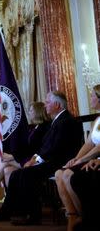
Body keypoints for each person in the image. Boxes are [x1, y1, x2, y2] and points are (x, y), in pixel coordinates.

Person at [0, 91, 83, 225]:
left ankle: (33, 215)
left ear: (57, 105)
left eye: (48, 102)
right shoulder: (57, 120)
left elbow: (55, 148)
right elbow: (45, 147)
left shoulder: (66, 121)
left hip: (60, 163)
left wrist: (35, 161)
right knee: (15, 175)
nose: (45, 105)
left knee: (26, 174)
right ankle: (9, 211)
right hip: (51, 160)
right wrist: (34, 159)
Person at [0, 102, 50, 199]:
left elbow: (34, 149)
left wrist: (12, 157)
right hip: (28, 158)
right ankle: (13, 201)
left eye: (31, 110)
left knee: (5, 163)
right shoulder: (34, 127)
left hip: (36, 161)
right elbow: (27, 147)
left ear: (38, 112)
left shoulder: (44, 127)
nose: (29, 112)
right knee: (7, 170)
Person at [55, 85, 100, 231]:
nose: (91, 98)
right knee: (59, 173)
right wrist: (76, 158)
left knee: (68, 174)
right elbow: (89, 143)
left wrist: (82, 160)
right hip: (90, 156)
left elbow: (98, 147)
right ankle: (72, 214)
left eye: (93, 95)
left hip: (96, 159)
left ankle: (84, 215)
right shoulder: (97, 119)